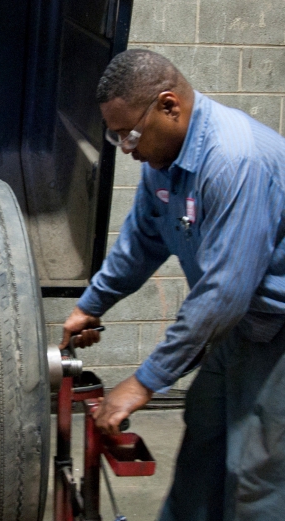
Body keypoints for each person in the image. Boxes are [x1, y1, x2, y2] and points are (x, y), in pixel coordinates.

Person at [60, 48, 285, 520]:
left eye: (130, 133)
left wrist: (142, 383)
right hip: (239, 330)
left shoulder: (233, 160)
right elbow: (142, 240)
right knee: (204, 437)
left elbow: (224, 292)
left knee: (257, 472)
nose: (126, 147)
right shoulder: (163, 165)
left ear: (169, 106)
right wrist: (92, 304)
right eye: (116, 135)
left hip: (277, 334)